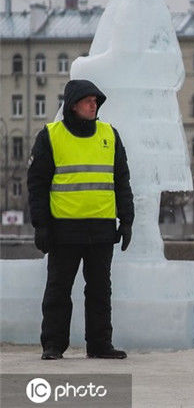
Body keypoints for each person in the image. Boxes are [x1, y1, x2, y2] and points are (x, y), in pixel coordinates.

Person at [28, 79, 134, 360]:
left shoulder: (109, 135)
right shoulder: (51, 136)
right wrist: (41, 225)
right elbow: (37, 185)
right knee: (58, 290)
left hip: (101, 229)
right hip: (64, 229)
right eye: (88, 100)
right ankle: (53, 345)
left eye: (96, 101)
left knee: (100, 291)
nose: (94, 104)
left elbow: (121, 181)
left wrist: (126, 220)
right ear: (73, 105)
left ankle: (100, 345)